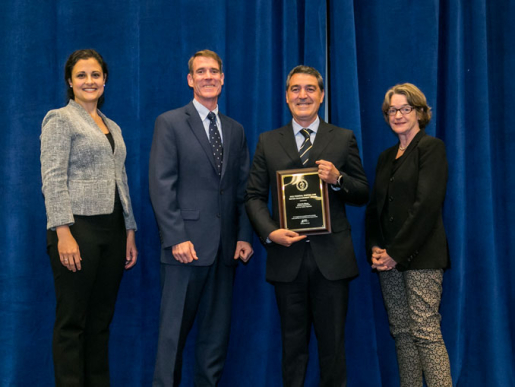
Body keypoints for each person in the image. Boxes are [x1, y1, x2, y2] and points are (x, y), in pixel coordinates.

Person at [245, 65, 369, 386]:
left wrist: (338, 178)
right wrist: (270, 232)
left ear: (322, 95)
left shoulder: (342, 138)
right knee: (292, 348)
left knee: (333, 348)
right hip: (288, 259)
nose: (303, 95)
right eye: (296, 89)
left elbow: (362, 191)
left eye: (310, 89)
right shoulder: (268, 141)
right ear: (287, 97)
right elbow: (253, 196)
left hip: (333, 260)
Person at [149, 49, 253, 386]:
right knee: (171, 340)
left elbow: (243, 190)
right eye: (201, 72)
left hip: (224, 252)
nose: (208, 77)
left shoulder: (235, 130)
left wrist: (244, 236)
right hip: (185, 249)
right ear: (190, 79)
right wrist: (176, 237)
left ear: (223, 79)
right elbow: (161, 184)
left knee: (214, 342)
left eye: (214, 71)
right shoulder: (170, 122)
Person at [40, 49, 138, 386]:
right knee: (72, 323)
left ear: (105, 80)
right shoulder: (59, 119)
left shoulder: (112, 125)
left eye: (95, 75)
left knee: (100, 322)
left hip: (112, 232)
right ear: (70, 81)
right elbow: (52, 178)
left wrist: (129, 230)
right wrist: (62, 231)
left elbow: (120, 180)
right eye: (81, 75)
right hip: (76, 229)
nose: (89, 81)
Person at [365, 83, 452, 386]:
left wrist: (395, 253)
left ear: (419, 112)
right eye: (392, 110)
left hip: (421, 257)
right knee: (402, 333)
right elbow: (376, 208)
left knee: (425, 332)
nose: (398, 114)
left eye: (406, 108)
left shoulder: (431, 148)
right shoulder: (386, 157)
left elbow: (426, 206)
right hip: (388, 260)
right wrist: (376, 249)